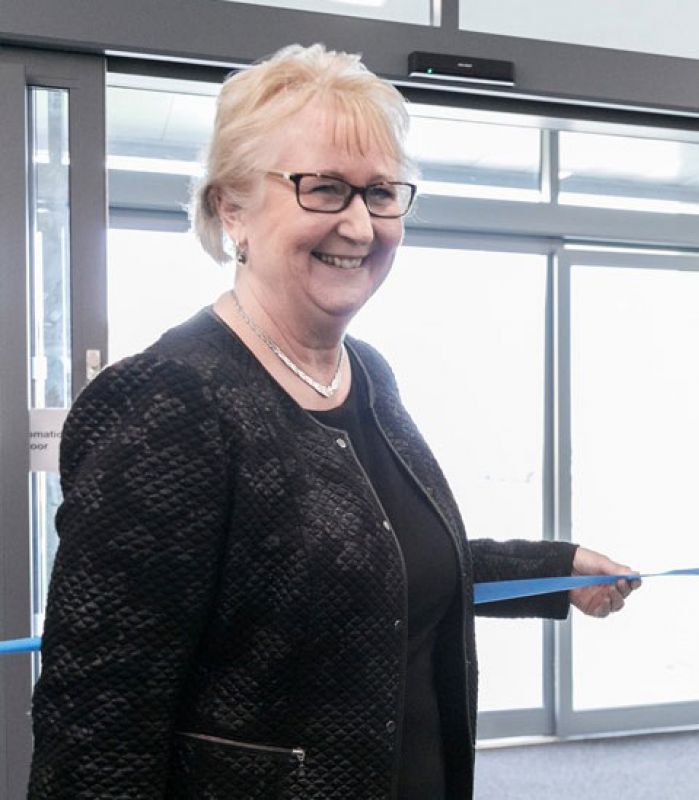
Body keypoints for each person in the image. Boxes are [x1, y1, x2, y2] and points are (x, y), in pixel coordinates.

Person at [28, 44, 637, 799]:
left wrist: (551, 569)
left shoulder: (367, 374)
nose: (358, 225)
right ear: (232, 207)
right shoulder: (169, 401)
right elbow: (96, 730)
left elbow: (357, 568)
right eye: (323, 189)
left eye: (381, 193)